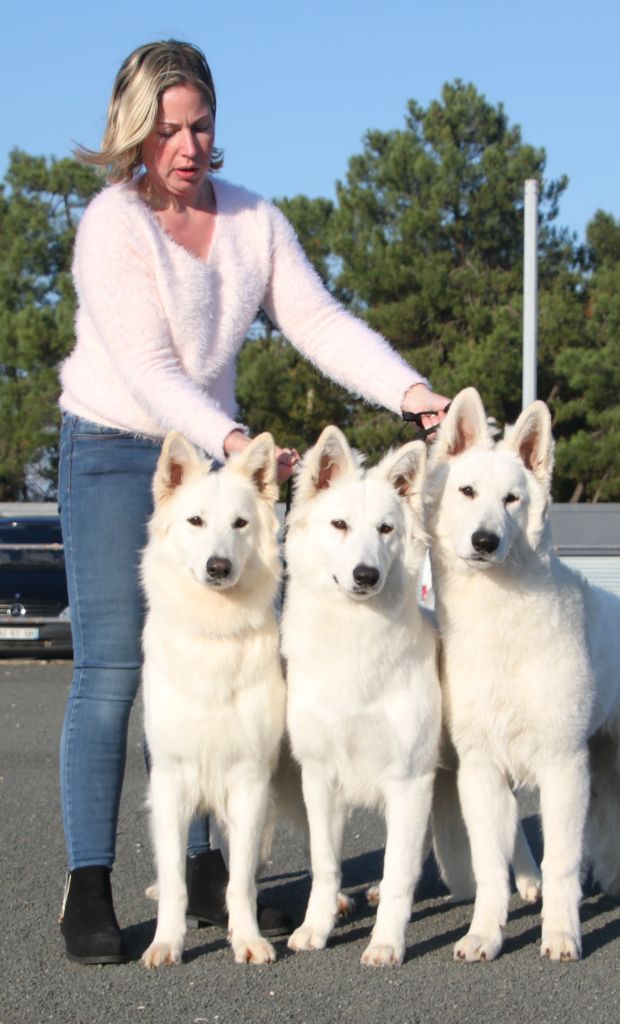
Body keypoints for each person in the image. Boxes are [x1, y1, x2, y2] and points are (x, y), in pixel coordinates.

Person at [57, 39, 450, 965]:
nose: (186, 147)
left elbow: (316, 320)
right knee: (115, 670)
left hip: (222, 471)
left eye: (199, 126)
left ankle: (200, 871)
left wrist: (413, 396)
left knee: (233, 669)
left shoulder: (253, 221)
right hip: (116, 450)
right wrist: (229, 442)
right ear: (134, 133)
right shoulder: (112, 225)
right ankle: (89, 883)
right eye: (167, 130)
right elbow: (150, 368)